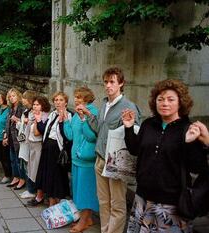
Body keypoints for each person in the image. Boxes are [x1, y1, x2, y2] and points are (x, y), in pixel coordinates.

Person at [123, 79, 209, 233]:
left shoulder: (188, 128)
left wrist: (189, 143)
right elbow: (135, 150)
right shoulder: (148, 124)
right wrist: (129, 129)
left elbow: (197, 167)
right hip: (142, 197)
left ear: (180, 103)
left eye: (171, 99)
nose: (165, 103)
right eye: (160, 99)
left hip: (171, 203)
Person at [78, 67, 141, 233]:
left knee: (117, 204)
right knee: (103, 202)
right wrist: (86, 115)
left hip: (116, 163)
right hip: (100, 159)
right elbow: (99, 129)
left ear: (121, 83)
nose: (108, 85)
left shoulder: (129, 107)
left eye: (112, 81)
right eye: (106, 82)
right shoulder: (105, 103)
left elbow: (134, 137)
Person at [63, 87, 99, 233]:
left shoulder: (93, 112)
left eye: (79, 97)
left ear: (87, 98)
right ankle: (88, 219)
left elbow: (91, 136)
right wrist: (65, 121)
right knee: (78, 191)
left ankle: (83, 222)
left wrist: (84, 118)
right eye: (76, 97)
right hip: (76, 158)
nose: (76, 99)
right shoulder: (77, 113)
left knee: (85, 192)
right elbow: (70, 136)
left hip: (87, 159)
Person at [34, 92, 71, 206]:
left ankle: (57, 202)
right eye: (56, 100)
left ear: (66, 102)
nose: (58, 102)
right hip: (47, 148)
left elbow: (67, 135)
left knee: (57, 176)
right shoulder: (52, 114)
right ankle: (51, 201)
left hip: (57, 149)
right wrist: (39, 120)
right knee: (48, 175)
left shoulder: (68, 115)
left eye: (60, 100)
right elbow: (44, 130)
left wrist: (62, 122)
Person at [23, 96, 50, 202]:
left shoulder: (44, 116)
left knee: (36, 169)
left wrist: (34, 122)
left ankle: (37, 193)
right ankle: (33, 191)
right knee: (31, 168)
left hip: (38, 145)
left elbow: (37, 132)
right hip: (32, 144)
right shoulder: (34, 115)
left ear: (43, 105)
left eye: (38, 104)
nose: (35, 106)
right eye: (34, 104)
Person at [3, 88, 26, 190]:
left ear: (18, 96)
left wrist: (17, 120)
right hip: (11, 137)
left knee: (19, 159)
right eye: (10, 96)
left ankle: (22, 179)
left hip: (19, 138)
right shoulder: (11, 108)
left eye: (14, 96)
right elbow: (7, 123)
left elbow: (25, 124)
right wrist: (5, 136)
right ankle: (16, 177)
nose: (12, 98)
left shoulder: (22, 108)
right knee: (13, 159)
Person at [17, 90, 38, 198]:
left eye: (24, 98)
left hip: (30, 143)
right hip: (24, 142)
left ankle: (31, 190)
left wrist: (26, 122)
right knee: (26, 166)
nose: (22, 100)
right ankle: (29, 189)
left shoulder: (33, 113)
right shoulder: (26, 111)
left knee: (30, 167)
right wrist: (19, 123)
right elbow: (22, 128)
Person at [0, 93, 11, 184]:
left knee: (5, 157)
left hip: (5, 137)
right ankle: (6, 174)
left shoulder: (8, 110)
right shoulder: (0, 109)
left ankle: (8, 175)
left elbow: (7, 124)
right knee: (1, 157)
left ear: (4, 99)